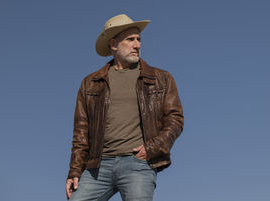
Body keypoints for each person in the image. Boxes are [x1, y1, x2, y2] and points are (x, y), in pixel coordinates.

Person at [66, 14, 184, 201]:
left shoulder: (161, 78)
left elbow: (175, 119)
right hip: (97, 167)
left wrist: (152, 148)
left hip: (138, 164)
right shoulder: (90, 83)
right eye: (130, 40)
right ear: (113, 44)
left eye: (138, 39)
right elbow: (81, 130)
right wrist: (74, 170)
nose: (137, 45)